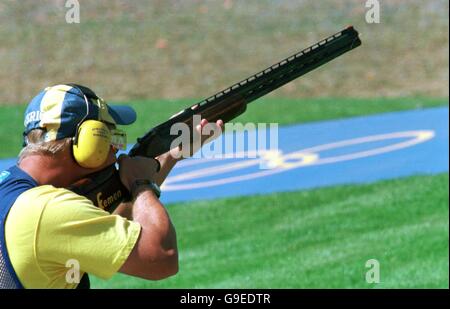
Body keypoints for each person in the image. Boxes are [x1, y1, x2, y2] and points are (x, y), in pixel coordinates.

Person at [0, 84, 223, 289]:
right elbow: (161, 257)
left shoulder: (12, 188)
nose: (115, 148)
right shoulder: (48, 211)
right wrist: (142, 184)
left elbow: (108, 218)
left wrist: (171, 155)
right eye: (108, 136)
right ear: (88, 141)